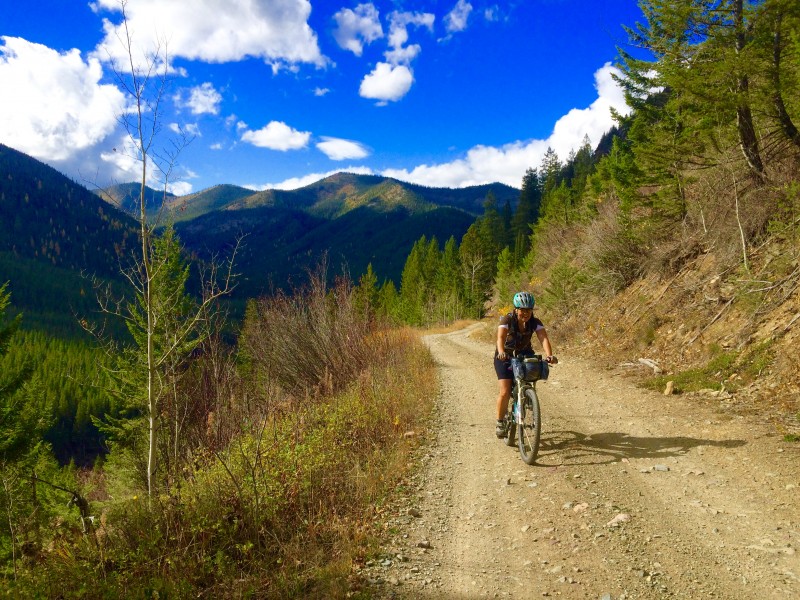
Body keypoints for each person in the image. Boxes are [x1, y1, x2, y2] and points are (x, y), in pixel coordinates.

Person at [493, 291, 557, 438]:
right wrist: (502, 352)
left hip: (523, 353)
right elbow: (500, 338)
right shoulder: (506, 320)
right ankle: (500, 422)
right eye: (522, 310)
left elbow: (544, 339)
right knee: (504, 390)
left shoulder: (535, 322)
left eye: (528, 310)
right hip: (505, 355)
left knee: (533, 370)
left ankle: (527, 395)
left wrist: (549, 355)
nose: (525, 313)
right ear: (516, 309)